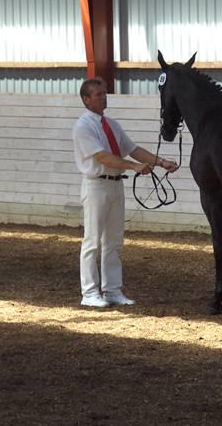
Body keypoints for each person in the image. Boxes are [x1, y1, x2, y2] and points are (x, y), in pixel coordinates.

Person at [73, 77, 178, 308]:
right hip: (96, 185)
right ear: (86, 99)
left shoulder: (111, 124)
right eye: (98, 94)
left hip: (115, 184)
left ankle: (112, 289)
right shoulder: (83, 126)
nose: (103, 97)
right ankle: (89, 292)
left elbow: (133, 149)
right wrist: (132, 166)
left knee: (113, 241)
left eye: (104, 93)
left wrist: (161, 162)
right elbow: (102, 156)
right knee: (92, 241)